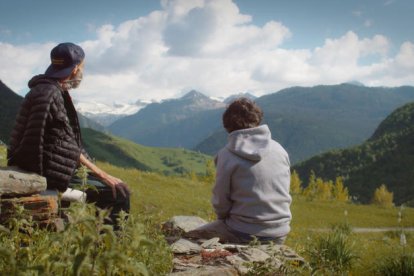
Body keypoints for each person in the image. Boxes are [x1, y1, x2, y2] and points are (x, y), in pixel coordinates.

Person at [7, 42, 130, 227]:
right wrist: (102, 175)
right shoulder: (50, 93)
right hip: (47, 170)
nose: (82, 72)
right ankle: (108, 251)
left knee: (108, 187)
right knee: (119, 193)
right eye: (82, 67)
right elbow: (66, 142)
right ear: (75, 69)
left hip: (45, 164)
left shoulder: (45, 89)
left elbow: (60, 138)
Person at [186, 98, 292, 244]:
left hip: (243, 232)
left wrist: (224, 220)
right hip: (280, 232)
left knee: (190, 238)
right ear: (257, 119)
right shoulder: (279, 150)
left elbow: (221, 201)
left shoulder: (227, 155)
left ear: (227, 125)